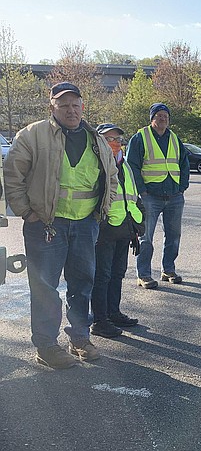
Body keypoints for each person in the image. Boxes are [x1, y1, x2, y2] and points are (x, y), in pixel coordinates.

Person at [3, 82, 118, 369]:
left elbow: (112, 176)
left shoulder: (96, 139)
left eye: (75, 104)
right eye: (63, 104)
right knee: (45, 287)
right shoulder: (33, 134)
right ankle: (46, 345)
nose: (71, 110)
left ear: (82, 107)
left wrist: (102, 209)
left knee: (82, 284)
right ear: (52, 106)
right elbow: (12, 175)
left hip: (85, 224)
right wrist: (27, 213)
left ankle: (79, 338)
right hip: (45, 224)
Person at [126, 103, 189, 289]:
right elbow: (132, 166)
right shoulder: (140, 138)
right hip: (150, 197)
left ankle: (168, 269)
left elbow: (184, 164)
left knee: (174, 235)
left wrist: (182, 187)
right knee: (146, 237)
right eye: (159, 115)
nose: (163, 119)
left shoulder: (175, 138)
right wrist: (142, 191)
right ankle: (143, 274)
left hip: (174, 196)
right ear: (152, 118)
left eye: (166, 116)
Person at [90, 124, 144, 338]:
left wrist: (137, 225)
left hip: (124, 228)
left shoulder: (125, 164)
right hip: (104, 229)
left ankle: (113, 313)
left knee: (117, 274)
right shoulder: (94, 163)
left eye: (118, 139)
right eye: (109, 138)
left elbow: (132, 197)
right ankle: (99, 320)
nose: (115, 143)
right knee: (101, 276)